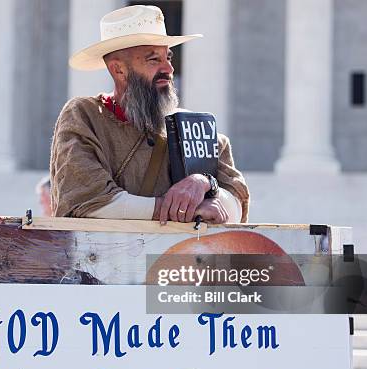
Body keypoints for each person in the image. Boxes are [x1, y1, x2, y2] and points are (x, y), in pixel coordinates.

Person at [50, 5, 249, 225]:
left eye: (169, 58)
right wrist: (180, 209)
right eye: (154, 60)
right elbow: (86, 199)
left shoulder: (195, 127)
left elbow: (236, 201)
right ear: (118, 70)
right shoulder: (84, 116)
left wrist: (205, 184)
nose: (169, 69)